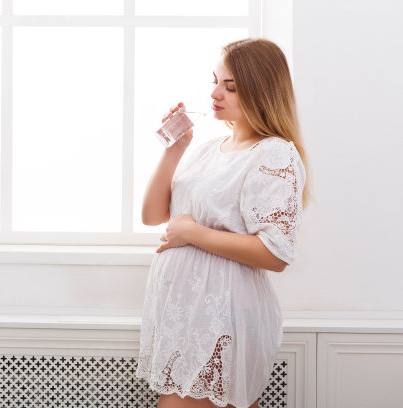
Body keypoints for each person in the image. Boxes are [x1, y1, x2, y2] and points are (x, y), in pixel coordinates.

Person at [134, 38, 313, 408]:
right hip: (187, 315)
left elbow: (275, 254)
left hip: (224, 316)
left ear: (260, 89)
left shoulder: (274, 153)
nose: (215, 92)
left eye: (230, 85)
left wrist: (193, 233)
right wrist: (176, 148)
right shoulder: (205, 149)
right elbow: (152, 215)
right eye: (215, 80)